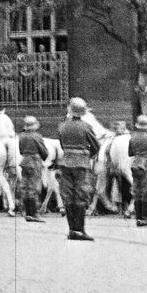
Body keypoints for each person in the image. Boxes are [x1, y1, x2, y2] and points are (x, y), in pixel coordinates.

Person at [55, 98, 100, 241]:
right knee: (80, 195)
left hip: (66, 163)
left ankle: (71, 230)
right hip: (81, 164)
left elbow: (62, 144)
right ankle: (80, 230)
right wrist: (88, 156)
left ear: (70, 109)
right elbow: (96, 147)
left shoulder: (62, 126)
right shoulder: (86, 127)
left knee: (67, 195)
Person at [126, 113, 147, 227]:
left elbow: (130, 153)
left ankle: (138, 218)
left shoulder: (133, 137)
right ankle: (145, 218)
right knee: (146, 192)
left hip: (135, 164)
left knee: (137, 192)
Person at [17, 115, 48, 222]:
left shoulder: (21, 136)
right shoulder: (37, 136)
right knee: (34, 188)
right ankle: (34, 213)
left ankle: (28, 212)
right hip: (34, 162)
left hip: (24, 161)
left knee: (25, 187)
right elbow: (44, 151)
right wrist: (44, 157)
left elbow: (21, 150)